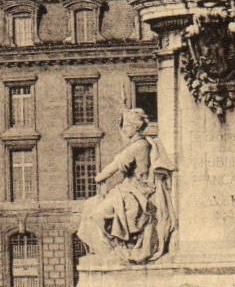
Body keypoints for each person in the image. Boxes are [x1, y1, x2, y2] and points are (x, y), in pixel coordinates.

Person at [76, 108, 177, 265]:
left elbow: (115, 166)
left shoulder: (138, 146)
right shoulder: (140, 144)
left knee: (98, 215)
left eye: (126, 125)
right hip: (129, 189)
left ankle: (113, 253)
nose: (123, 129)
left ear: (136, 127)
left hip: (136, 193)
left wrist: (99, 177)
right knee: (92, 209)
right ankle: (112, 251)